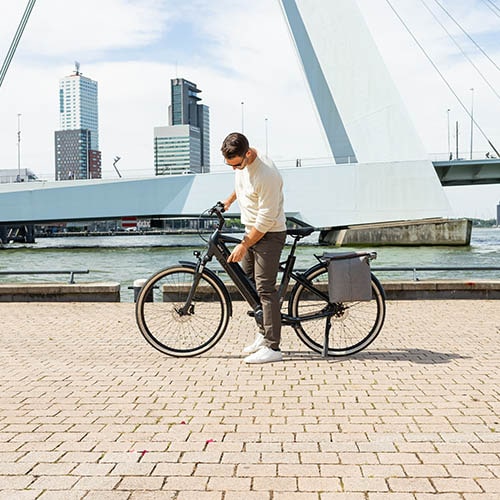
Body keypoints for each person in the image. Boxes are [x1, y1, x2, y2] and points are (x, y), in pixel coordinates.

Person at [221, 132, 287, 364]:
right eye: (231, 166)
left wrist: (244, 244)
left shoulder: (266, 174)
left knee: (265, 288)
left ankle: (273, 347)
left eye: (237, 164)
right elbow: (243, 186)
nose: (235, 170)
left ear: (247, 154)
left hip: (269, 234)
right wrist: (228, 202)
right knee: (247, 282)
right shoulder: (243, 165)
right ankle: (263, 332)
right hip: (252, 232)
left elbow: (266, 220)